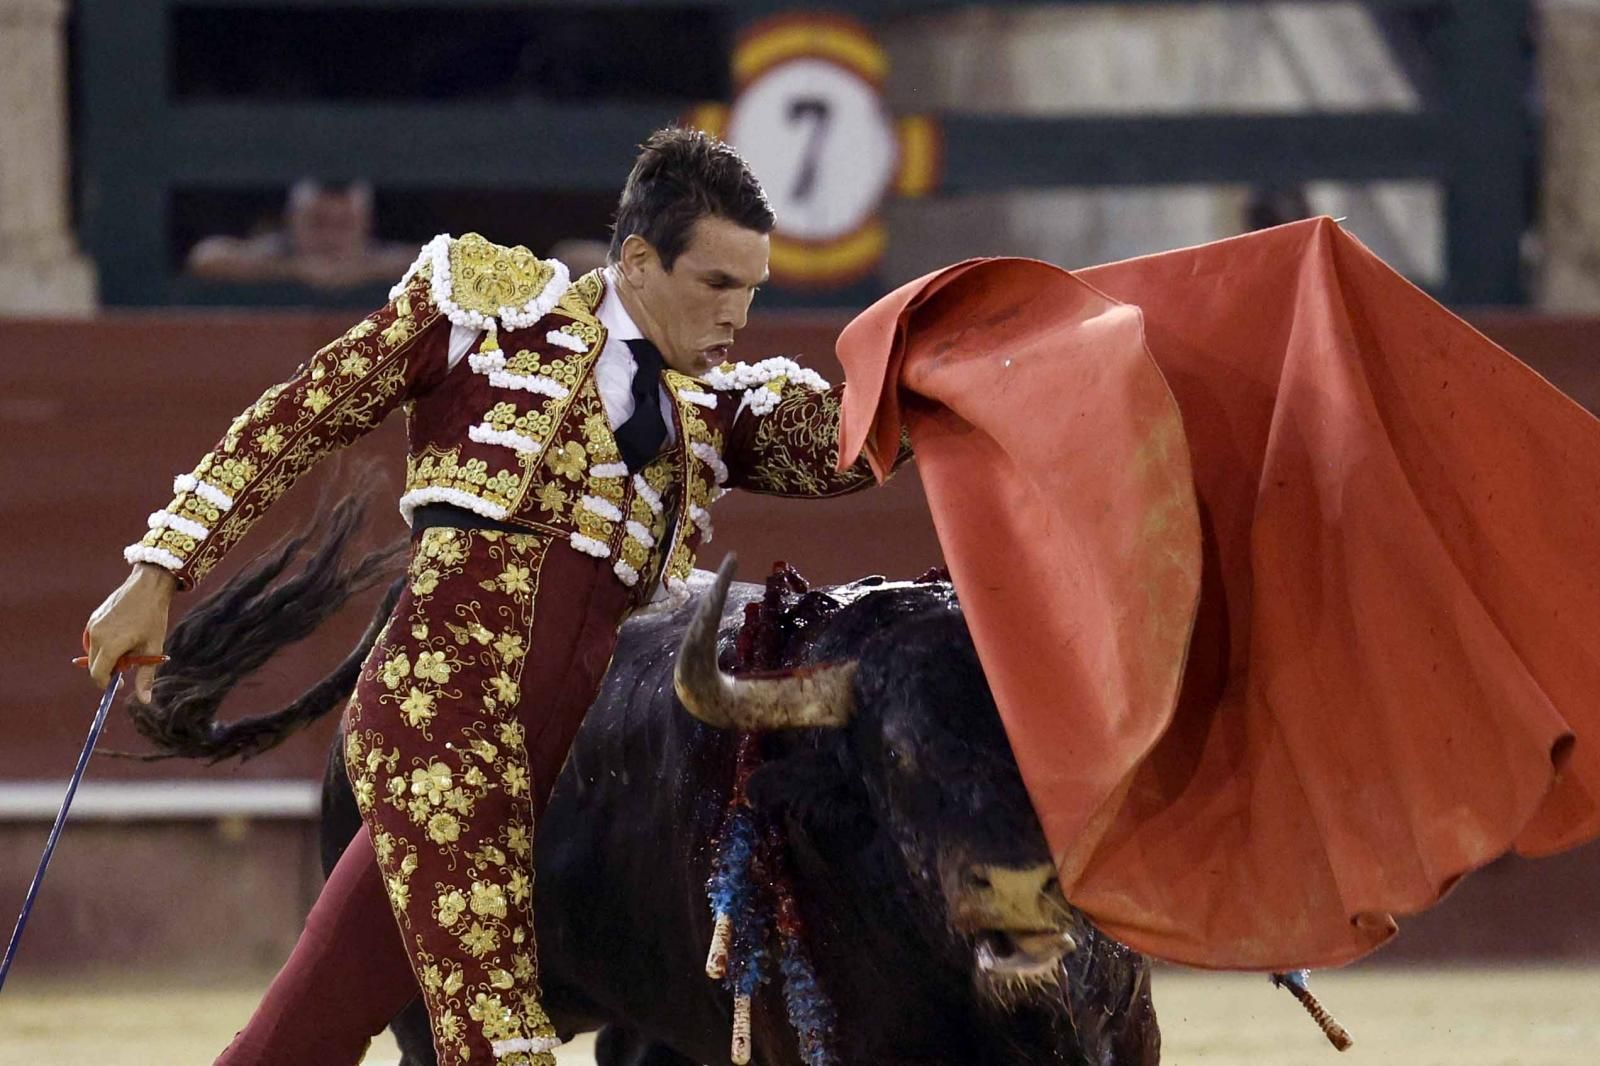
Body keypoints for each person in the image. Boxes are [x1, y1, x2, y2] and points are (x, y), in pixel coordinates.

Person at [85, 127, 909, 1066]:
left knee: (302, 1032)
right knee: (499, 1044)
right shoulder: (489, 315)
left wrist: (962, 368)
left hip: (553, 777)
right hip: (436, 729)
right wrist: (158, 572)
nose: (739, 317)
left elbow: (853, 444)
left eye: (753, 289)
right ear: (637, 260)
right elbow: (300, 413)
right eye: (717, 285)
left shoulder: (716, 406)